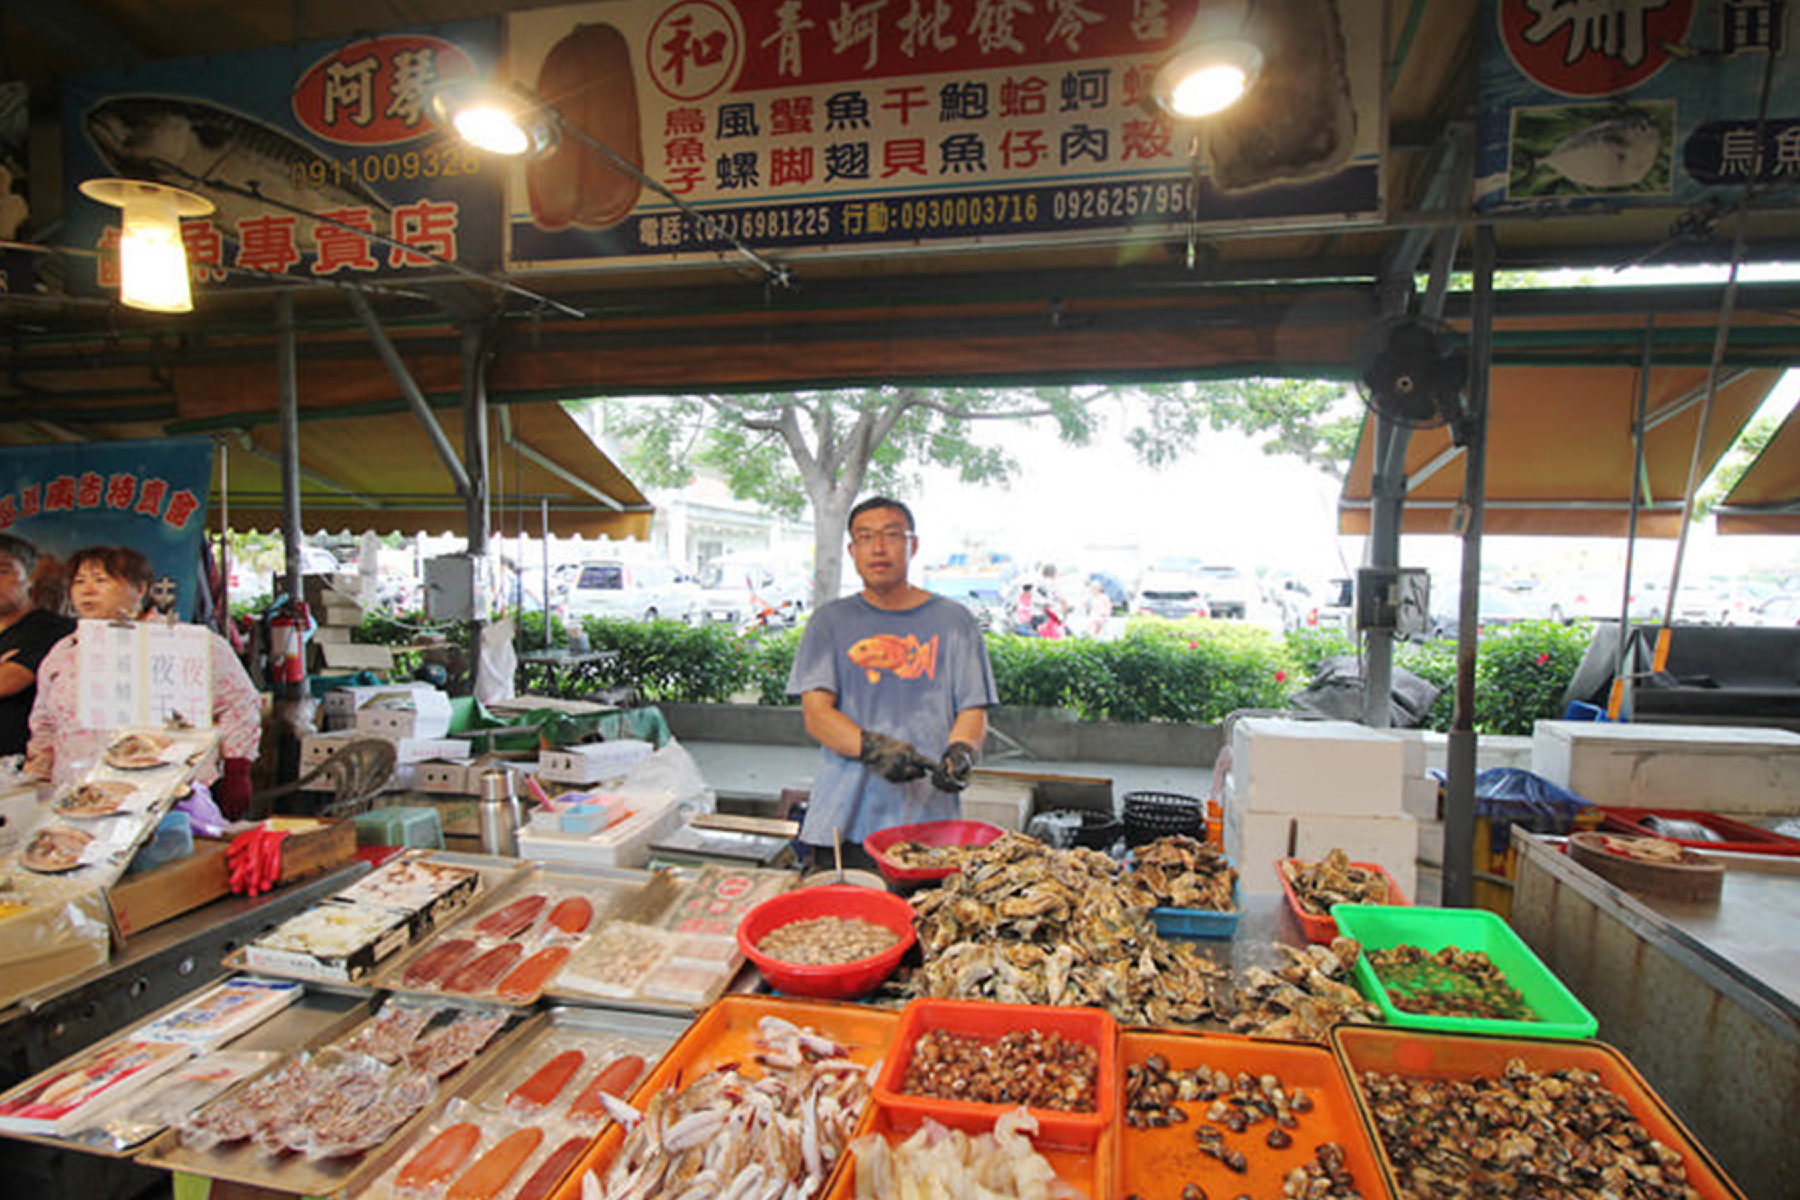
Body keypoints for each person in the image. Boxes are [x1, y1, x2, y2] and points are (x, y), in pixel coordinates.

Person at [787, 497, 997, 864]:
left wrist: (962, 750)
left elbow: (972, 708)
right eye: (865, 537)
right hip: (844, 817)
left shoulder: (955, 622)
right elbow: (817, 715)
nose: (878, 548)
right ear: (852, 550)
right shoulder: (829, 622)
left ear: (912, 545)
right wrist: (874, 748)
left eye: (891, 535)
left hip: (930, 822)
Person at [26, 546, 261, 816]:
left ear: (139, 589)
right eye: (79, 582)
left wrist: (237, 769)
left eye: (101, 580)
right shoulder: (64, 652)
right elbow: (43, 723)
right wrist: (37, 779)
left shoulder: (188, 642)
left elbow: (239, 704)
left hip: (169, 798)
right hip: (80, 801)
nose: (87, 590)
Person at [0, 535, 77, 759]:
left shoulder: (51, 629)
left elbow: (8, 681)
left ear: (31, 577)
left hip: (24, 772)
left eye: (3, 571)